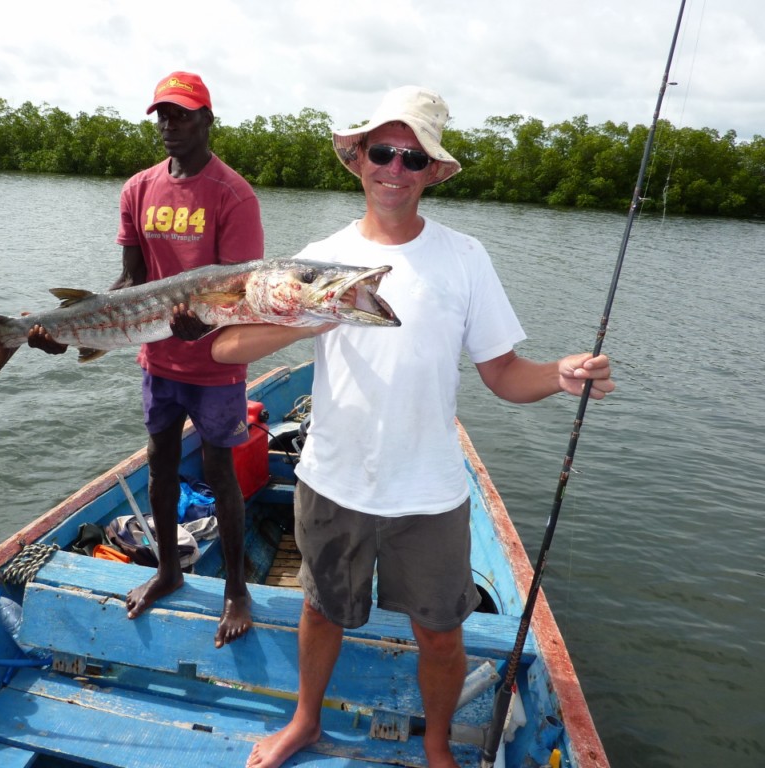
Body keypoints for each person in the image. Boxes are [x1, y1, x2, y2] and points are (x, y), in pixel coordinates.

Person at [210, 86, 615, 768]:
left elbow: (504, 374)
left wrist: (562, 373)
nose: (394, 168)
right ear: (358, 159)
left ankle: (434, 743)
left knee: (440, 633)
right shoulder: (316, 256)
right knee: (320, 610)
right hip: (332, 480)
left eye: (411, 156)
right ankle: (305, 720)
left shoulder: (465, 258)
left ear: (431, 170)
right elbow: (224, 349)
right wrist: (300, 318)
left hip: (428, 493)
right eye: (381, 152)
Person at [28, 71, 264, 648]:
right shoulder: (137, 188)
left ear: (207, 119)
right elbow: (131, 280)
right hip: (157, 358)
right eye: (162, 115)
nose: (169, 125)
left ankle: (236, 588)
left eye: (181, 115)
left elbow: (238, 297)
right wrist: (73, 326)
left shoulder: (234, 195)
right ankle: (167, 570)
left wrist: (196, 327)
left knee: (220, 472)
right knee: (159, 466)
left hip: (216, 365)